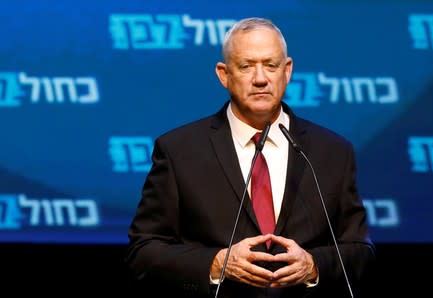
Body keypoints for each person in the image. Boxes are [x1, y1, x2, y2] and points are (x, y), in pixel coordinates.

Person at [125, 17, 376, 298]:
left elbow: (360, 251)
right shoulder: (179, 151)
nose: (260, 78)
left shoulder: (332, 151)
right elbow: (142, 251)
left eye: (270, 65)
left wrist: (314, 266)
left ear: (288, 70)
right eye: (246, 66)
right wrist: (217, 263)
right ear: (224, 74)